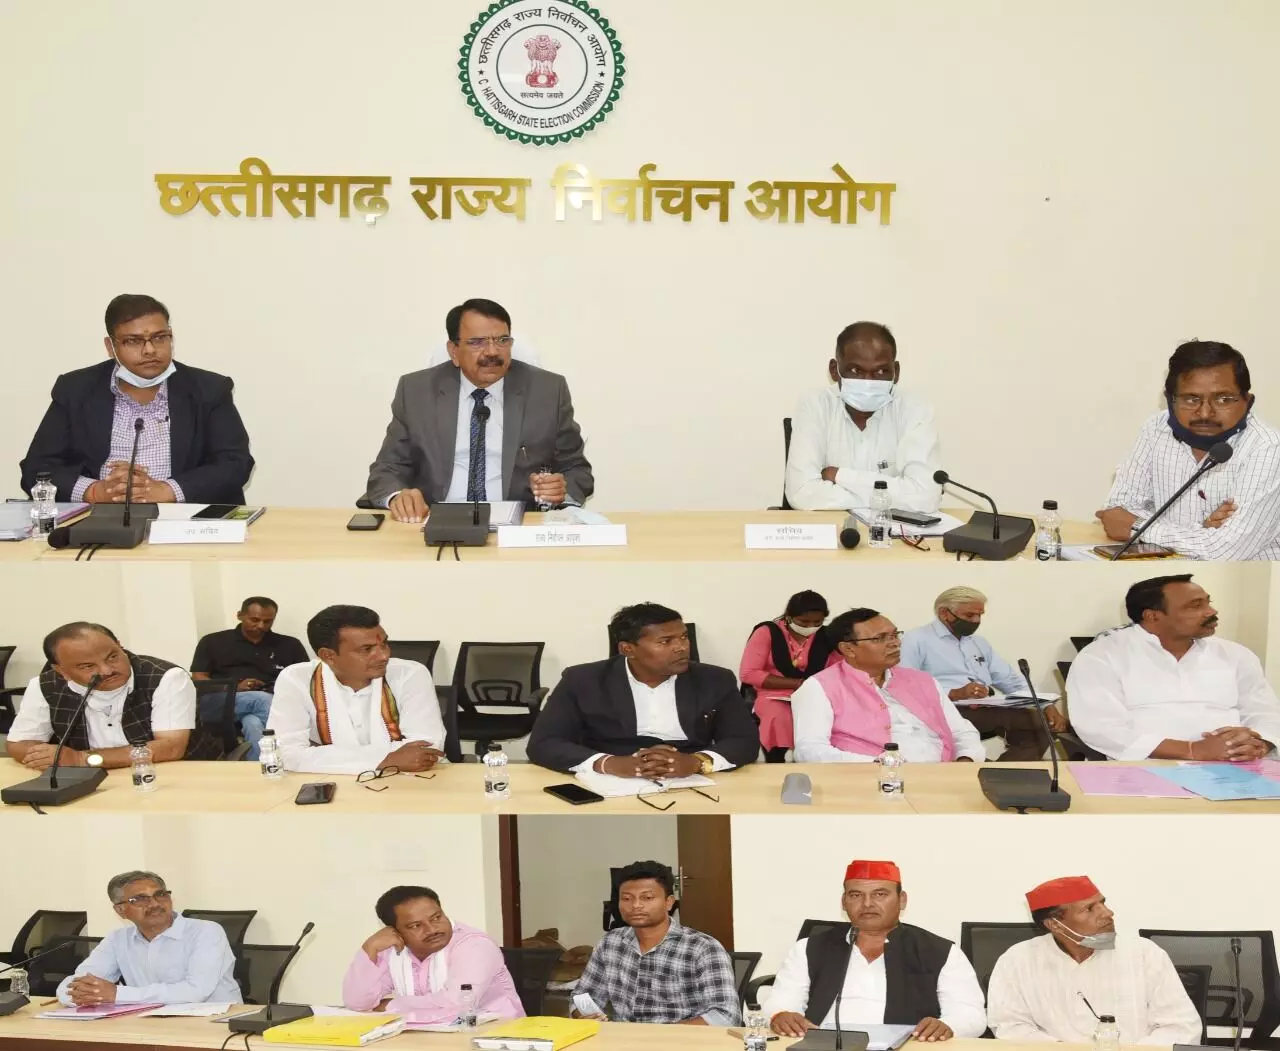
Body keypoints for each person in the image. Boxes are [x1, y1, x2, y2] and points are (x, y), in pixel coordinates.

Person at [365, 298, 593, 523]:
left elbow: (576, 469)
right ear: (454, 351)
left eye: (502, 340)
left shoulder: (548, 391)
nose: (492, 352)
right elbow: (388, 468)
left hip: (517, 526)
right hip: (435, 522)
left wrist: (560, 490)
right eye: (477, 342)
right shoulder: (416, 391)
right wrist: (398, 496)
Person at [19, 294, 254, 504]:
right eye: (133, 341)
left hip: (184, 518)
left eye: (160, 337)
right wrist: (95, 492)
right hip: (98, 518)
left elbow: (235, 464)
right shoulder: (75, 390)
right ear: (110, 346)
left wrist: (168, 490)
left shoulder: (209, 389)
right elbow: (37, 468)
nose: (150, 350)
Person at [527, 603, 760, 776]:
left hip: (689, 772)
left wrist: (698, 762)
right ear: (628, 649)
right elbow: (544, 743)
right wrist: (608, 763)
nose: (681, 647)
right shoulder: (583, 680)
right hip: (612, 774)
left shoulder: (715, 679)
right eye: (666, 641)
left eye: (683, 637)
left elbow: (743, 740)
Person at [1097, 340, 1280, 560]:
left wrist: (1139, 528)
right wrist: (1202, 530)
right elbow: (1117, 511)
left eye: (1223, 399)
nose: (1205, 413)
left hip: (1251, 579)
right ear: (1170, 400)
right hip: (1168, 571)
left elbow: (1225, 550)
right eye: (1191, 399)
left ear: (1247, 401)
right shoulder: (1156, 429)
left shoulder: (1267, 447)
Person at [1068, 575, 1280, 761]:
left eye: (1208, 602)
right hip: (1145, 769)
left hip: (1238, 767)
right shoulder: (1101, 656)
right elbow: (1101, 727)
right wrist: (1192, 750)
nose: (1211, 611)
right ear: (1153, 616)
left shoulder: (1235, 654)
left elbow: (1266, 712)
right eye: (1195, 606)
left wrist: (1260, 743)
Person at [768, 860, 986, 1041]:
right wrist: (781, 1015)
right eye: (855, 895)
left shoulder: (941, 952)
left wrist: (947, 1025)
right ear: (844, 902)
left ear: (902, 900)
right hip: (824, 1045)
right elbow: (780, 1002)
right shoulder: (809, 948)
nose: (867, 904)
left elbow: (971, 1016)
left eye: (880, 894)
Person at [987, 876, 1201, 1044]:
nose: (1108, 913)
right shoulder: (1017, 961)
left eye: (1103, 903)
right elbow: (1010, 1026)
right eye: (1089, 909)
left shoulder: (1144, 954)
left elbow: (1181, 1026)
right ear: (1055, 925)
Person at [5, 622, 220, 769]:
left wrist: (82, 759)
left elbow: (170, 748)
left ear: (119, 645)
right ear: (61, 670)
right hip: (88, 783)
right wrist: (44, 756)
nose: (107, 670)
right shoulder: (44, 686)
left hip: (168, 775)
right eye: (87, 666)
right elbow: (19, 743)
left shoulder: (165, 677)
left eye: (113, 657)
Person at [267, 605, 448, 775]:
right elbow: (285, 753)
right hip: (332, 782)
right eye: (367, 649)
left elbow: (427, 748)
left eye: (384, 644)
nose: (384, 655)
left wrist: (321, 757)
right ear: (328, 656)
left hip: (409, 781)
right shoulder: (297, 679)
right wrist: (385, 761)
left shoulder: (409, 674)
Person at [792, 608, 985, 763]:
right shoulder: (819, 687)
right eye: (880, 638)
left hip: (941, 777)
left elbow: (962, 732)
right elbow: (809, 750)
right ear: (848, 649)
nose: (894, 643)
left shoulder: (923, 681)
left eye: (894, 635)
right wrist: (879, 765)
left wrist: (965, 760)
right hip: (870, 782)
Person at [785, 322, 942, 512]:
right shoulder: (815, 405)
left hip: (893, 529)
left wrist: (840, 476)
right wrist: (893, 494)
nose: (868, 382)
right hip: (831, 526)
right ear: (835, 370)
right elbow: (801, 494)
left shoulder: (914, 408)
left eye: (881, 371)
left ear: (896, 372)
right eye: (855, 371)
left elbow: (926, 496)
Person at [900, 587, 1067, 761]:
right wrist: (954, 693)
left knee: (1044, 723)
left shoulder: (978, 643)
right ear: (944, 613)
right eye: (970, 615)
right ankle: (984, 770)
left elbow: (1012, 681)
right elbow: (904, 685)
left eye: (980, 615)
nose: (976, 620)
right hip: (945, 711)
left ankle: (1005, 772)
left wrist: (1045, 704)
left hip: (984, 708)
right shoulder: (916, 639)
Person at [572, 860, 739, 1026]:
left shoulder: (703, 948)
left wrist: (659, 1036)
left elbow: (724, 1016)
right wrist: (585, 1016)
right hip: (622, 1038)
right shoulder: (610, 943)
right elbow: (582, 997)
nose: (636, 905)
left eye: (647, 898)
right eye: (627, 898)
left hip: (681, 1039)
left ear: (669, 902)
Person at [56, 870, 241, 1007]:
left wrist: (117, 994)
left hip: (216, 1026)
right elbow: (73, 985)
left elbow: (196, 991)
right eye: (140, 899)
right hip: (150, 1025)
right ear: (120, 910)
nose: (154, 904)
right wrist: (85, 994)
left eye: (160, 895)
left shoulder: (207, 932)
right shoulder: (118, 939)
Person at [342, 885, 523, 1021]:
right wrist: (369, 949)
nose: (432, 929)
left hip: (495, 1038)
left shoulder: (474, 946)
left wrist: (391, 1005)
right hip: (425, 1039)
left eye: (436, 918)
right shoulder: (392, 949)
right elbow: (358, 1003)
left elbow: (458, 1005)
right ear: (395, 931)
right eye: (416, 925)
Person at [190, 596, 308, 761]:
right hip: (222, 701)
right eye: (255, 620)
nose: (261, 626)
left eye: (268, 621)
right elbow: (198, 679)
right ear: (240, 615)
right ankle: (297, 754)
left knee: (253, 723)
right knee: (260, 700)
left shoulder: (290, 645)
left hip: (271, 698)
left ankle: (261, 767)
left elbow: (303, 680)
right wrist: (235, 687)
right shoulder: (212, 641)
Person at [739, 590, 833, 762]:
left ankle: (810, 761)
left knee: (822, 717)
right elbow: (749, 674)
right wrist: (798, 684)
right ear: (789, 617)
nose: (810, 626)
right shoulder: (767, 632)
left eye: (817, 622)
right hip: (774, 695)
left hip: (815, 694)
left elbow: (837, 671)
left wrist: (813, 688)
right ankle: (776, 761)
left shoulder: (827, 636)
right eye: (804, 622)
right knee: (779, 715)